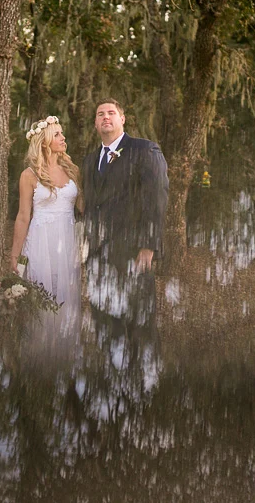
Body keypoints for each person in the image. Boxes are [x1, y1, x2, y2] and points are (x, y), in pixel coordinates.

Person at [82, 99, 168, 388]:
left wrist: (148, 245)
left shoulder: (144, 150)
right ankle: (112, 379)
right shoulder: (89, 160)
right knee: (104, 318)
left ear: (123, 119)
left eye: (111, 113)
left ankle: (143, 383)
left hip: (133, 250)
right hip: (98, 255)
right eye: (100, 114)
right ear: (95, 123)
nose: (105, 117)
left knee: (138, 318)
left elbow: (156, 198)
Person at [8, 115, 82, 355]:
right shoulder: (29, 175)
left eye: (62, 133)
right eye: (57, 135)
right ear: (44, 142)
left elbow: (84, 208)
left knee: (65, 294)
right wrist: (15, 256)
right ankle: (36, 350)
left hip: (67, 241)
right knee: (41, 294)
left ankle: (62, 350)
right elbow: (22, 216)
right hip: (40, 242)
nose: (63, 138)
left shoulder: (72, 170)